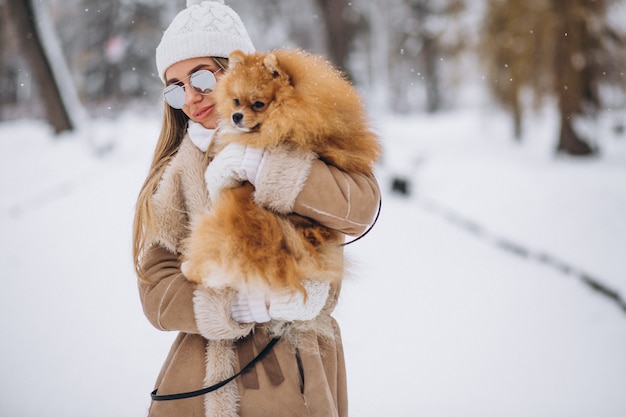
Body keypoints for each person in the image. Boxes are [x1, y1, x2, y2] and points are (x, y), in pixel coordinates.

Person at [132, 1, 381, 416]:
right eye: (175, 87)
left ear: (234, 68)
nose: (190, 97)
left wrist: (268, 167)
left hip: (294, 368)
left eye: (200, 78)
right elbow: (154, 289)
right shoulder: (175, 174)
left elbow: (361, 209)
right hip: (203, 377)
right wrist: (235, 306)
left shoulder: (301, 130)